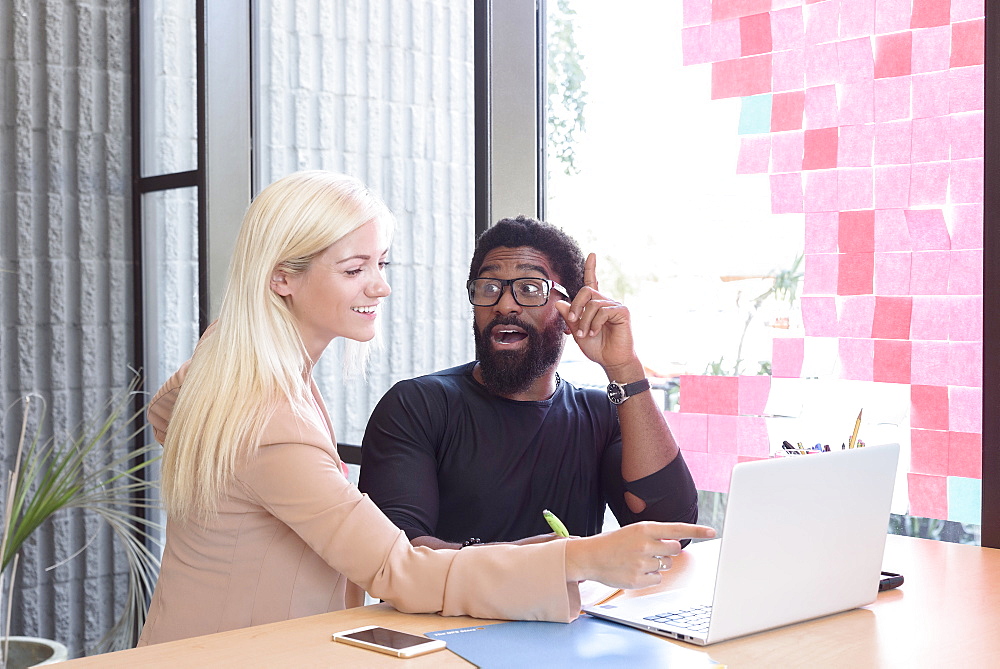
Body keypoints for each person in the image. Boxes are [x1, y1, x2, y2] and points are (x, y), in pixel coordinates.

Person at [137, 172, 714, 646]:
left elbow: (168, 414)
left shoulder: (249, 378)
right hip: (238, 654)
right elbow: (399, 570)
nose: (380, 288)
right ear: (282, 278)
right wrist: (579, 556)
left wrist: (624, 369)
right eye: (354, 268)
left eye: (380, 265)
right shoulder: (271, 411)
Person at [359, 215, 699, 549]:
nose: (504, 304)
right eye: (489, 287)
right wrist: (532, 564)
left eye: (530, 288)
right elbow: (395, 552)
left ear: (571, 312)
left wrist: (624, 368)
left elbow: (671, 532)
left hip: (571, 608)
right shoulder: (418, 405)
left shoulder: (601, 415)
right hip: (440, 609)